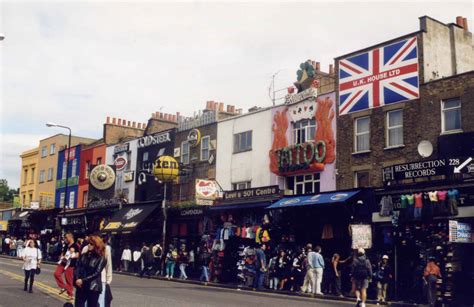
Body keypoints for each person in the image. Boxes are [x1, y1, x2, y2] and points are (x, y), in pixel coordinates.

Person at [73, 235, 107, 307]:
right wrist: (77, 279)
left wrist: (83, 280)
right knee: (78, 305)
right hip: (81, 286)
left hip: (93, 286)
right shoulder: (83, 256)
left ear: (96, 245)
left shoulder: (101, 258)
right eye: (88, 243)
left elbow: (96, 273)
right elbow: (77, 268)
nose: (89, 245)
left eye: (91, 244)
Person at [54, 232, 80, 301]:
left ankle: (70, 294)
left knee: (69, 279)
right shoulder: (66, 245)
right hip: (63, 263)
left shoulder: (76, 245)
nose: (65, 239)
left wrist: (72, 256)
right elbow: (63, 252)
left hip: (70, 265)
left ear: (70, 237)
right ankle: (63, 287)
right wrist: (62, 256)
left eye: (66, 237)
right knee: (56, 274)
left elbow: (78, 254)